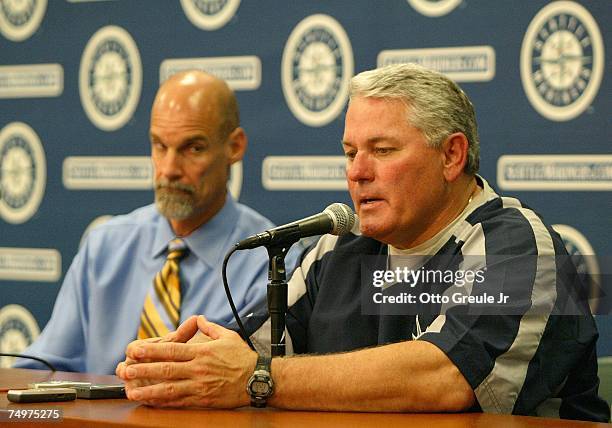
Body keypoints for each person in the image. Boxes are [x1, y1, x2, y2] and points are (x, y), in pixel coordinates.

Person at [116, 64, 610, 421]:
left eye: (382, 150)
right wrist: (176, 367)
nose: (357, 172)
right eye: (350, 152)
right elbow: (247, 351)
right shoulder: (339, 250)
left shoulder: (520, 246)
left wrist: (257, 379)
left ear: (452, 155)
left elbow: (445, 376)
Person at [14, 70, 285, 374]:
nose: (169, 169)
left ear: (234, 147)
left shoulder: (268, 261)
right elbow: (40, 368)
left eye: (193, 148)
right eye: (159, 145)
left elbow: (250, 383)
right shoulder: (104, 247)